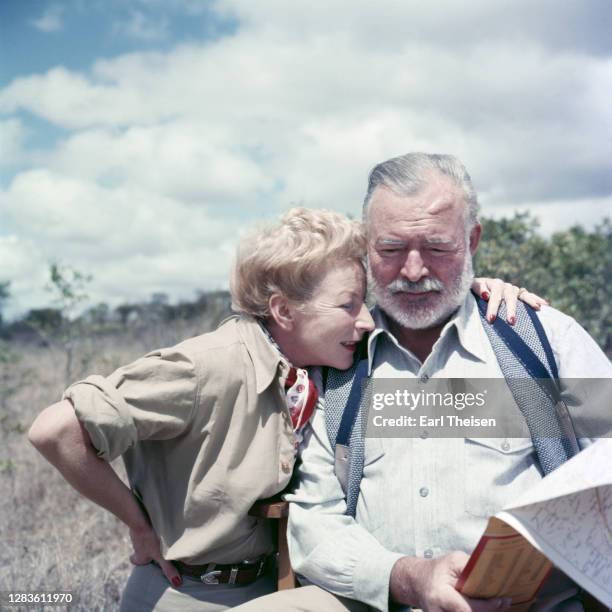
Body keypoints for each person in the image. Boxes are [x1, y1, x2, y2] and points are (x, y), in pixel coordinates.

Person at [29, 207, 539, 612]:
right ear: (283, 311)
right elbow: (56, 430)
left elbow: (416, 315)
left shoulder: (317, 366)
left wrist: (477, 293)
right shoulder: (208, 365)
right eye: (347, 305)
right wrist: (139, 527)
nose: (364, 321)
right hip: (185, 594)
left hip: (273, 590)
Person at [233, 154, 612, 612]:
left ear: (472, 240)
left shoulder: (541, 340)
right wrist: (407, 578)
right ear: (366, 245)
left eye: (436, 248)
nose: (413, 272)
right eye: (390, 250)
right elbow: (315, 520)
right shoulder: (334, 360)